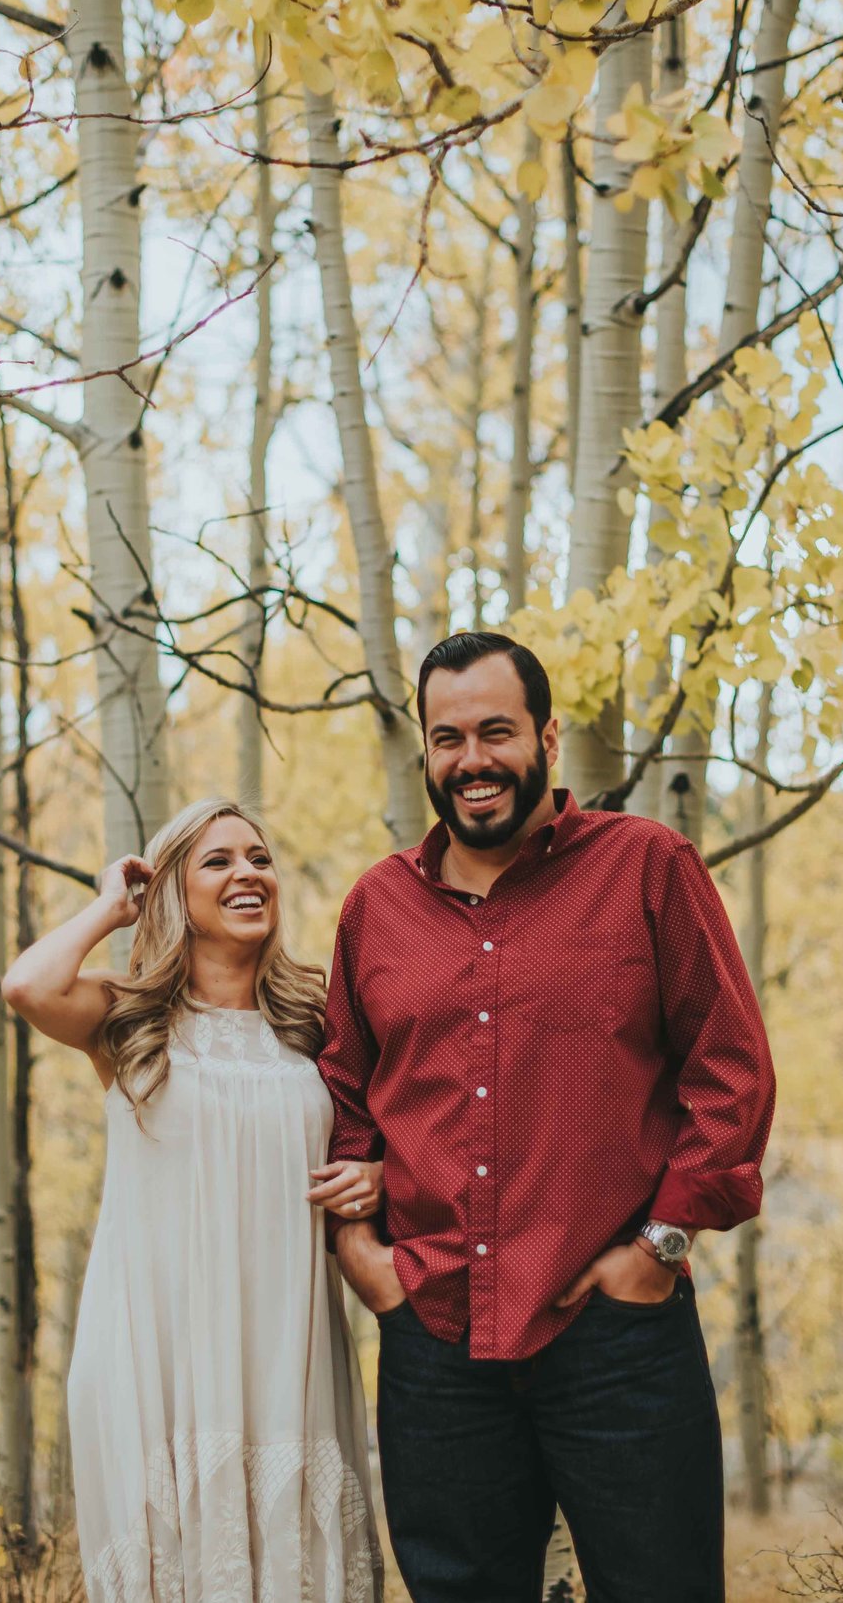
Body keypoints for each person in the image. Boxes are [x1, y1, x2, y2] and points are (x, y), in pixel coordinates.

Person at [320, 631, 777, 1603]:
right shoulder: (376, 908)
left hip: (615, 1330)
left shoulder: (648, 868)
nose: (472, 760)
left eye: (496, 731)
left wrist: (659, 1244)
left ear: (548, 735)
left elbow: (729, 1067)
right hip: (433, 1335)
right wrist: (365, 1257)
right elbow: (344, 1098)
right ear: (427, 753)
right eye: (448, 738)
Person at [1, 798, 385, 1603]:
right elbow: (27, 986)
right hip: (158, 1356)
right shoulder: (130, 1019)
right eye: (218, 861)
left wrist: (377, 1176)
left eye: (259, 857)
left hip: (289, 1353)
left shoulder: (318, 1026)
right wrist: (113, 904)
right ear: (175, 889)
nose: (248, 873)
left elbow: (389, 1140)